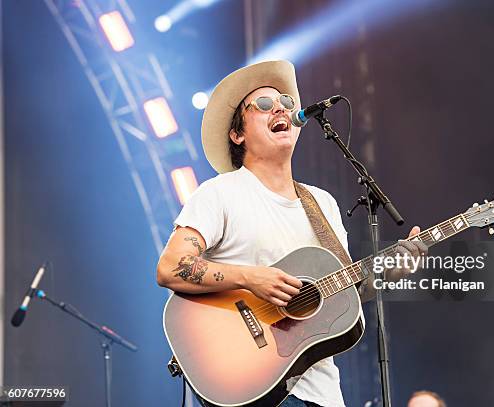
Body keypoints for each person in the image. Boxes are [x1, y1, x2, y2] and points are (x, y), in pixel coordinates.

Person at [157, 60, 428, 407]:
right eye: (265, 105)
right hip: (256, 389)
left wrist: (390, 272)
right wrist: (251, 278)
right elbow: (170, 267)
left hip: (324, 395)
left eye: (286, 102)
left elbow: (343, 293)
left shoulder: (322, 204)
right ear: (237, 134)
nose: (281, 109)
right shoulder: (220, 193)